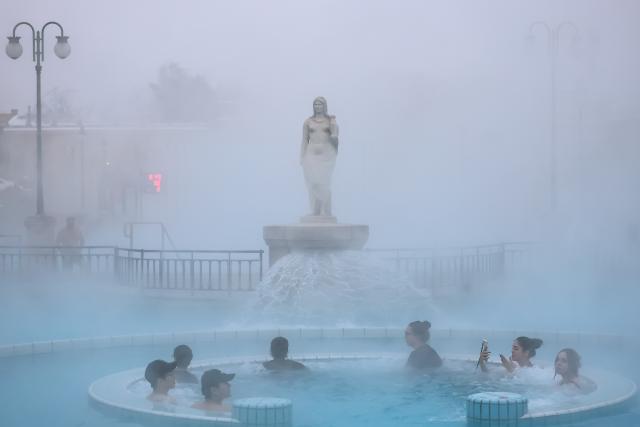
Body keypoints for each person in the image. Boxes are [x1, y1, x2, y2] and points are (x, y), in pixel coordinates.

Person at [300, 96, 339, 217]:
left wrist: (333, 124)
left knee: (323, 182)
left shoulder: (330, 121)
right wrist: (302, 156)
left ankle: (326, 210)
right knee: (313, 182)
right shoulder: (308, 122)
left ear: (324, 106)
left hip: (326, 154)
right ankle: (316, 210)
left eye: (320, 104)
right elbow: (304, 140)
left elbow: (335, 138)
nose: (318, 107)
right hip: (311, 155)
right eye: (315, 104)